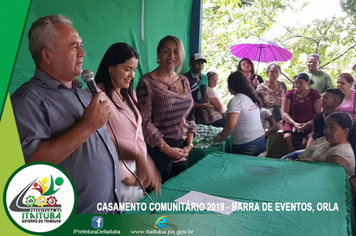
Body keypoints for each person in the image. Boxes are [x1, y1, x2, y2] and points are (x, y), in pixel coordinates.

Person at [10, 15, 121, 214]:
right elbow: (30, 166)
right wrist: (87, 126)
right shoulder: (27, 100)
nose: (82, 53)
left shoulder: (83, 93)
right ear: (48, 56)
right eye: (73, 46)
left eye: (81, 45)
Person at [93, 43, 161, 202]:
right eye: (127, 69)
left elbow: (137, 134)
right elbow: (99, 142)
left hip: (135, 170)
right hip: (110, 172)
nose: (132, 75)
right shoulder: (94, 96)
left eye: (134, 70)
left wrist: (143, 164)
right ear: (110, 67)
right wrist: (123, 175)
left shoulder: (129, 95)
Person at [136, 35, 196, 183]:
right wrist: (168, 150)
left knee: (178, 196)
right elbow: (144, 122)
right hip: (157, 150)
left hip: (181, 149)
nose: (171, 56)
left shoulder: (184, 81)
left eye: (176, 52)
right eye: (166, 51)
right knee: (158, 200)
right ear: (158, 53)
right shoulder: (147, 82)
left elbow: (190, 116)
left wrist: (189, 146)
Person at [282, 88, 344, 160]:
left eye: (325, 98)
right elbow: (313, 136)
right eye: (322, 97)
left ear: (335, 102)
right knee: (285, 158)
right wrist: (307, 152)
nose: (321, 99)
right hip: (316, 149)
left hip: (330, 152)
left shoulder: (342, 120)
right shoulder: (318, 117)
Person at [214, 71, 266, 156]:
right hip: (261, 140)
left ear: (231, 86)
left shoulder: (236, 100)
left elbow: (230, 125)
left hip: (247, 145)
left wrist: (220, 138)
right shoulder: (250, 98)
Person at [297, 112, 355, 177]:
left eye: (332, 128)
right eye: (326, 127)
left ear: (345, 131)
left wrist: (310, 164)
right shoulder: (325, 141)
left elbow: (325, 179)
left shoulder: (340, 154)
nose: (327, 131)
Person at [281, 73, 321, 153]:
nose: (297, 85)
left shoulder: (315, 94)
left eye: (300, 83)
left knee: (306, 140)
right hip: (292, 121)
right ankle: (292, 157)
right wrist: (294, 124)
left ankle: (302, 157)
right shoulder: (290, 94)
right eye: (295, 83)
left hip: (309, 122)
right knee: (287, 137)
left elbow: (318, 114)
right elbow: (285, 112)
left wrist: (308, 124)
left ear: (308, 83)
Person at [184, 53, 213, 124]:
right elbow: (185, 100)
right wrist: (202, 106)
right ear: (190, 64)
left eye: (202, 63)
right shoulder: (185, 79)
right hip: (190, 113)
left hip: (202, 111)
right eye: (197, 63)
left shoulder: (204, 77)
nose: (201, 65)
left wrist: (209, 111)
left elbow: (205, 95)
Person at [256, 63, 287, 127]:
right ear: (267, 73)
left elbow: (286, 101)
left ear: (279, 73)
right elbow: (258, 103)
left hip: (281, 114)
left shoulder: (282, 86)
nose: (274, 74)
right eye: (272, 71)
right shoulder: (261, 87)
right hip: (266, 115)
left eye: (276, 72)